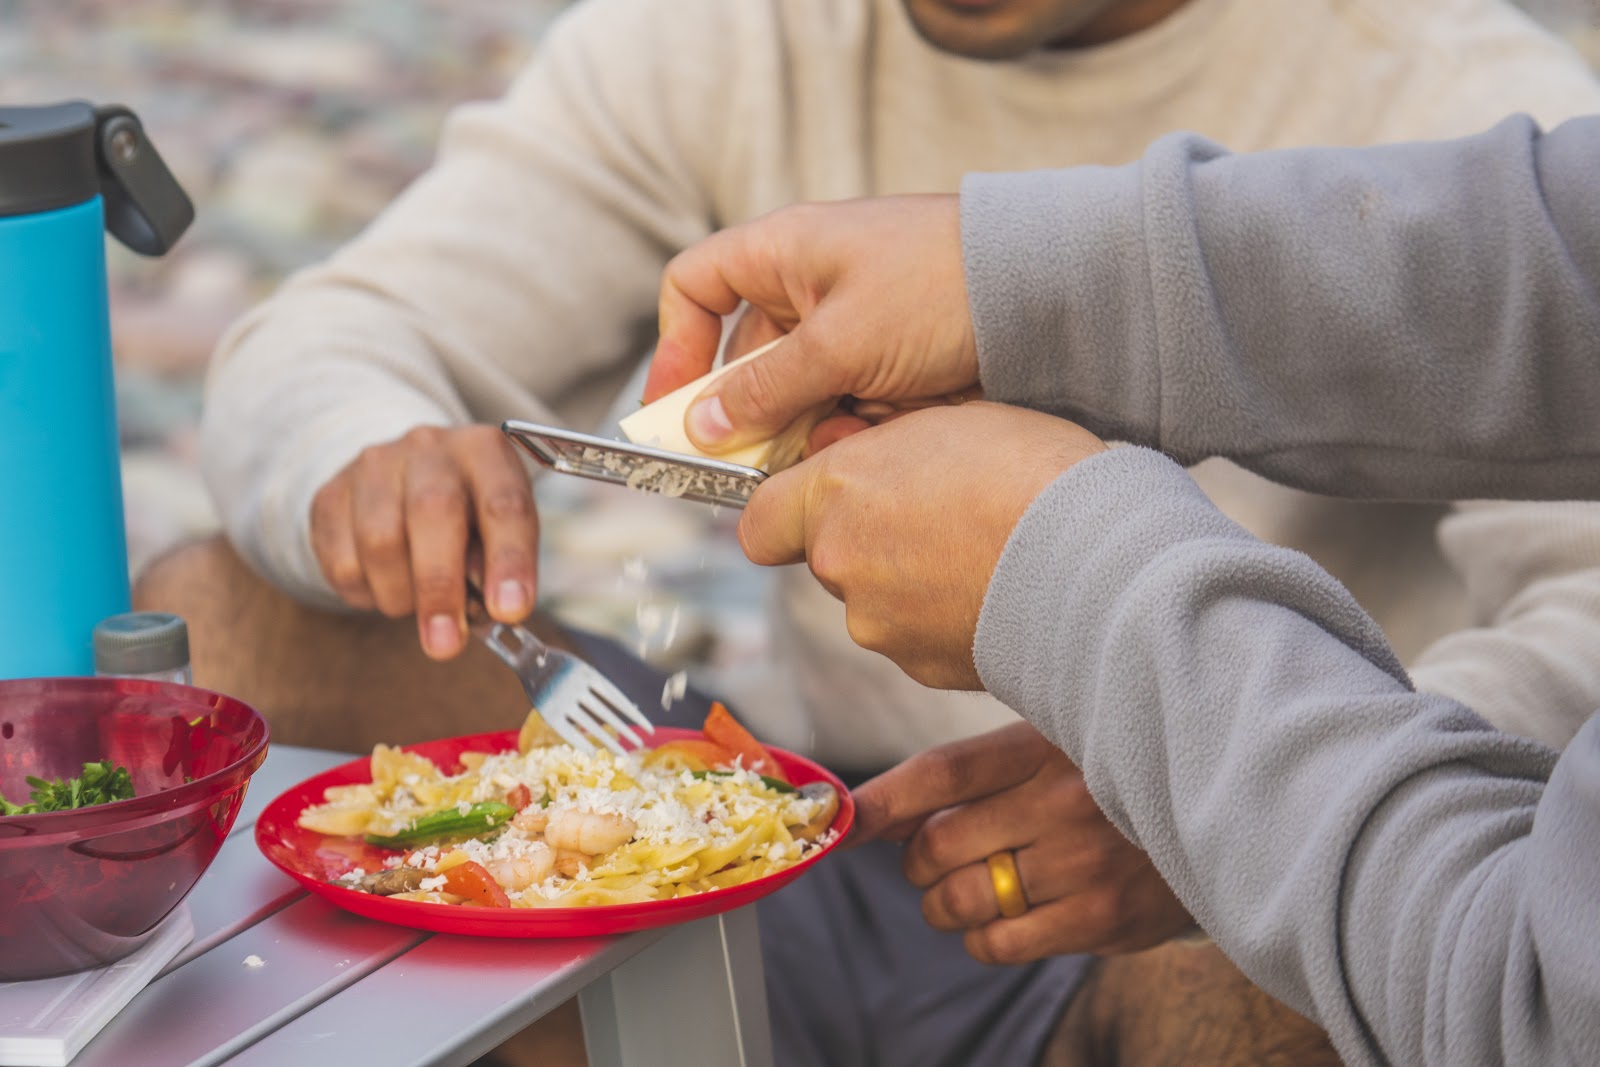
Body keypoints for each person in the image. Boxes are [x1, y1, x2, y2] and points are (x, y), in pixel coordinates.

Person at [147, 0, 1600, 1061]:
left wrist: (1223, 769)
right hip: (775, 816)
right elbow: (344, 328)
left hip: (1210, 900)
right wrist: (377, 471)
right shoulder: (728, 37)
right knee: (228, 615)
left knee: (1325, 984)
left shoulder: (1475, 97)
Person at [643, 111, 1600, 1066]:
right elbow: (1559, 242)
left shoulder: (1441, 63)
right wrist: (1016, 283)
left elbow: (1530, 1004)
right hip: (846, 841)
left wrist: (1120, 656)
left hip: (1211, 933)